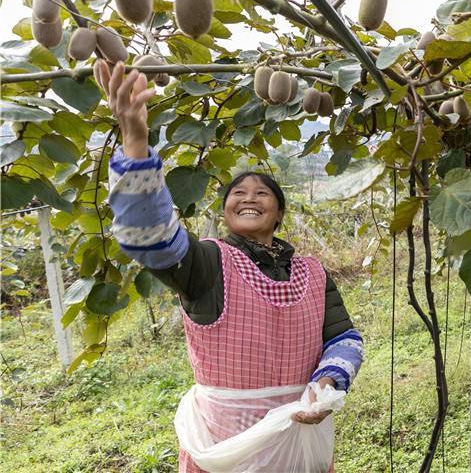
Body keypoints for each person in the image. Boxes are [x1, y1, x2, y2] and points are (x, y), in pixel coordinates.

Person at [95, 60, 363, 472]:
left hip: (299, 433)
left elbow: (343, 337)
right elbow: (150, 237)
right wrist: (135, 139)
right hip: (227, 440)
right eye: (238, 192)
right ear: (226, 215)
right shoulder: (208, 263)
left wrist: (327, 384)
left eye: (262, 192)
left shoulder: (313, 272)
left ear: (278, 214)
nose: (249, 196)